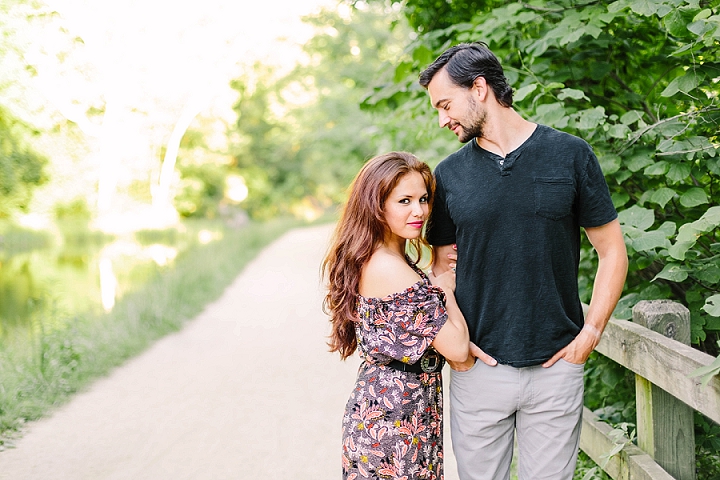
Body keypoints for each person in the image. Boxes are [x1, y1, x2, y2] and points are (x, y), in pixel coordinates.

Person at [417, 42, 629, 480]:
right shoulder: (450, 174)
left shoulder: (570, 154)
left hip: (557, 368)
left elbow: (611, 251)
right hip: (479, 369)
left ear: (479, 88)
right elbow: (442, 268)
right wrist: (459, 351)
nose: (442, 119)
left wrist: (590, 333)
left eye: (445, 104)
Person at [322, 151, 471, 480]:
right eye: (404, 201)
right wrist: (442, 287)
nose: (419, 211)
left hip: (398, 414)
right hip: (394, 424)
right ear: (377, 205)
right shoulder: (388, 268)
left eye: (423, 199)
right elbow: (459, 349)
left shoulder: (387, 257)